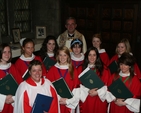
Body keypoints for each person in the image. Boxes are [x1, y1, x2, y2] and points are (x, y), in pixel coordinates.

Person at [47, 46, 80, 113]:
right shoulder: (53, 69)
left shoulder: (73, 70)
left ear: (68, 56)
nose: (62, 57)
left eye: (65, 55)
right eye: (60, 55)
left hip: (69, 102)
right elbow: (48, 86)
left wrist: (67, 101)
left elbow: (77, 87)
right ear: (57, 56)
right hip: (56, 101)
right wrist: (59, 98)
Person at [80, 47, 111, 113]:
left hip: (99, 99)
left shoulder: (104, 69)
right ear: (86, 56)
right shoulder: (81, 68)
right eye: (90, 55)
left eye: (94, 55)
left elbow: (108, 85)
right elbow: (78, 85)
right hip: (86, 98)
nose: (92, 57)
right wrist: (88, 90)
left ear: (97, 56)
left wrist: (97, 92)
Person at [0, 43, 23, 113]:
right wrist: (4, 98)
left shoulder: (12, 67)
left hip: (14, 101)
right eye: (4, 52)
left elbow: (21, 84)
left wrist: (14, 97)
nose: (7, 54)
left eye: (9, 52)